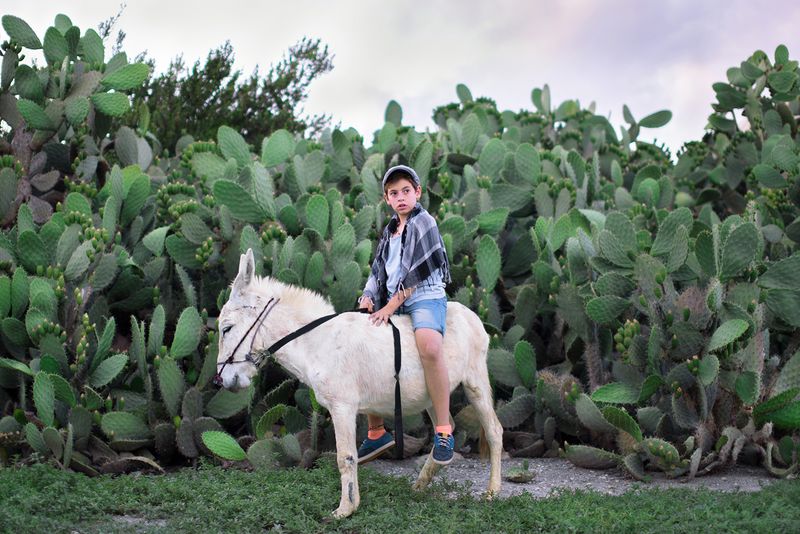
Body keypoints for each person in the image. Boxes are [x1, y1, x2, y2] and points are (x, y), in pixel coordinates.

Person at [356, 164, 454, 465]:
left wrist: (387, 308)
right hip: (392, 298)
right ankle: (376, 432)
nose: (401, 197)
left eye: (406, 191)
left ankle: (444, 430)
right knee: (363, 345)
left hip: (424, 296)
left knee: (429, 345)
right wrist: (368, 297)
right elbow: (378, 270)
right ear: (387, 199)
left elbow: (413, 275)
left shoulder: (424, 222)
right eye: (394, 193)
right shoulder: (389, 232)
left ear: (418, 192)